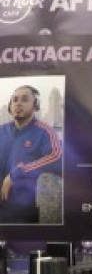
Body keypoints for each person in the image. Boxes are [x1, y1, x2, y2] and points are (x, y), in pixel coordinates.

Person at [0, 85, 63, 223]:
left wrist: (16, 173)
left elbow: (56, 157)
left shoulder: (45, 132)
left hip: (24, 210)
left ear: (36, 105)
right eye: (15, 100)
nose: (18, 103)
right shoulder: (2, 131)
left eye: (24, 99)